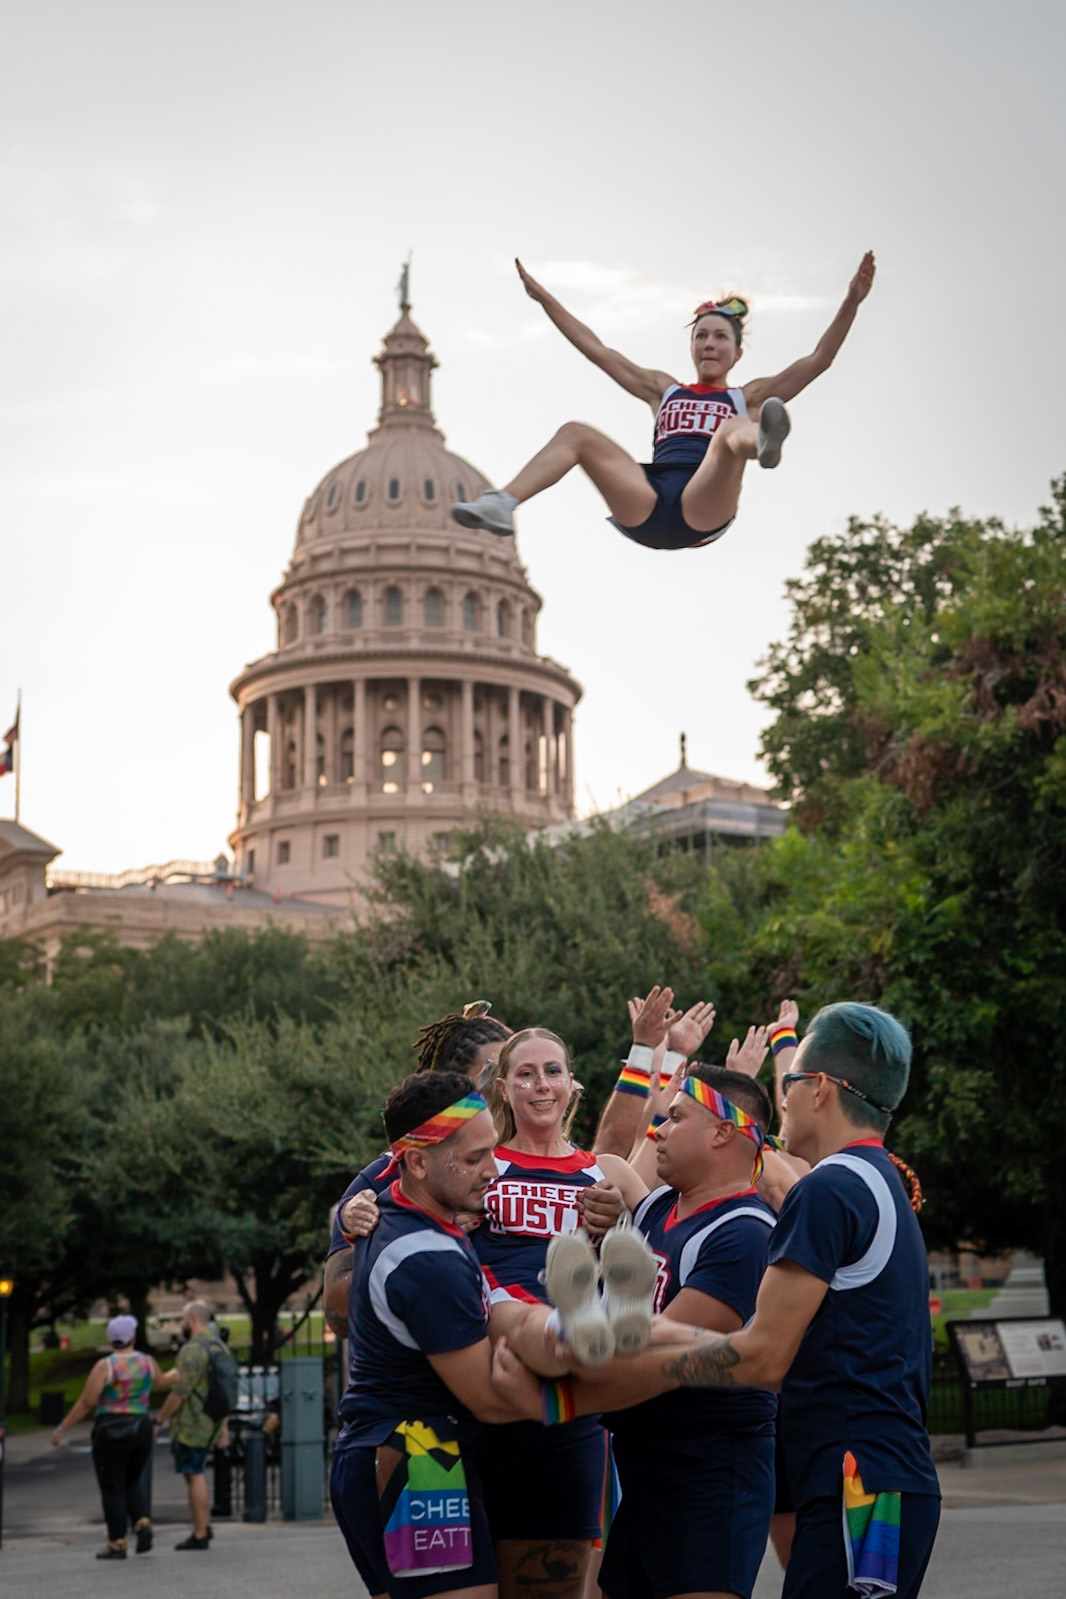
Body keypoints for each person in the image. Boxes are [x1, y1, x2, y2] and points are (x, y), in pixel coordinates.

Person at [493, 1001, 940, 1599]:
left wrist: (575, 1385)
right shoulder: (868, 1178)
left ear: (820, 1089)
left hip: (858, 1481)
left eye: (791, 1078)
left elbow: (761, 1359)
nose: (783, 1095)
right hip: (855, 1474)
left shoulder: (828, 1190)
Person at [330, 1070, 574, 1599]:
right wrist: (606, 1394)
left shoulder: (405, 1208)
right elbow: (489, 1399)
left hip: (399, 1450)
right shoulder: (427, 1256)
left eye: (493, 1151)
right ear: (418, 1162)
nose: (494, 1169)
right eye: (476, 1158)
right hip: (417, 1456)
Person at [451, 253, 875, 552]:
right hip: (649, 503)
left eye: (720, 337)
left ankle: (761, 442)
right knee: (575, 433)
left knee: (731, 430)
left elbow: (819, 359)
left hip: (703, 504)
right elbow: (597, 350)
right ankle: (502, 503)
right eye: (701, 336)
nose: (709, 344)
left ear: (737, 354)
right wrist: (545, 299)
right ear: (692, 346)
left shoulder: (746, 397)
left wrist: (851, 302)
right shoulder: (662, 389)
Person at [599, 1064, 779, 1599]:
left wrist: (542, 1391)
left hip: (709, 1476)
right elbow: (607, 1163)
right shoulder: (658, 1207)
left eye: (675, 1118)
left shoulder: (744, 1233)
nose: (659, 1131)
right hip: (647, 1468)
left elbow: (653, 1359)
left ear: (723, 1131)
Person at [323, 1003, 514, 1339]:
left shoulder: (542, 1159)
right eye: (494, 1073)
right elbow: (338, 1315)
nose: (511, 1086)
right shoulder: (384, 1176)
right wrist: (418, 1232)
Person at [51, 1312, 170, 1559]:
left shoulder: (106, 1366)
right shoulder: (147, 1362)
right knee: (132, 1480)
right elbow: (161, 1382)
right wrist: (180, 1373)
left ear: (111, 1340)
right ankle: (142, 1523)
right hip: (141, 1427)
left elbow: (87, 1402)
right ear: (133, 1338)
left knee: (112, 1487)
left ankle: (117, 1542)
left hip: (111, 1430)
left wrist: (63, 1428)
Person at [153, 1299, 226, 1551]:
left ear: (193, 1320)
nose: (181, 1324)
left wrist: (159, 1420)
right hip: (211, 1421)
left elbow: (179, 1393)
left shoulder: (192, 1350)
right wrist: (224, 1427)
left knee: (194, 1475)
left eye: (183, 1319)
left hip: (193, 1424)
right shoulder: (218, 1346)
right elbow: (223, 1390)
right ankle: (204, 1524)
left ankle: (200, 1532)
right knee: (196, 1473)